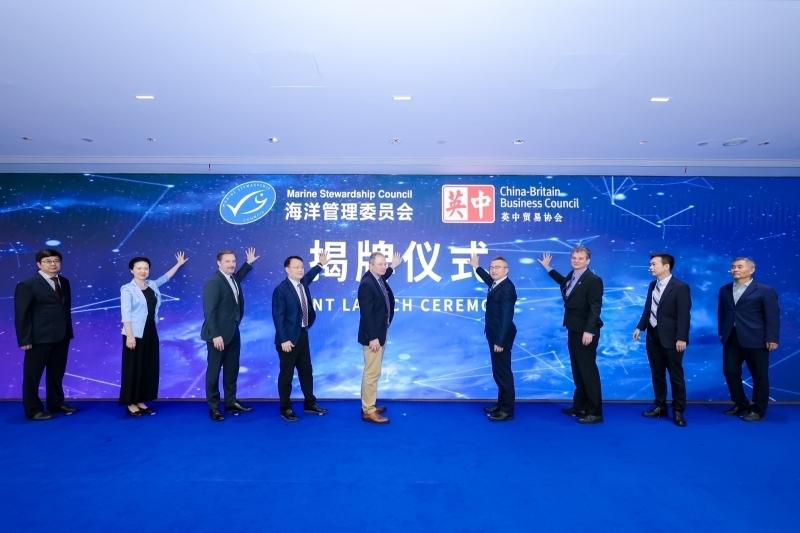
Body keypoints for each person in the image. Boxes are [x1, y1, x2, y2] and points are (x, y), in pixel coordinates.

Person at [538, 247, 604, 424]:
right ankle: (580, 406)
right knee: (577, 370)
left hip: (586, 332)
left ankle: (595, 412)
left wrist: (589, 330)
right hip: (573, 329)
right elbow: (564, 284)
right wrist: (548, 268)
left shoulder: (593, 280)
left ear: (588, 260)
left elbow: (595, 307)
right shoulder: (573, 275)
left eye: (580, 258)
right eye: (574, 257)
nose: (576, 260)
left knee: (588, 371)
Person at [119, 251, 188, 417]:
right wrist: (130, 336)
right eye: (139, 268)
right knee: (133, 369)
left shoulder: (151, 285)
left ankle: (141, 400)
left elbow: (165, 277)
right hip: (134, 333)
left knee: (147, 367)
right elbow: (126, 314)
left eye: (146, 268)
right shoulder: (127, 289)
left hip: (150, 331)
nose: (143, 271)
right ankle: (131, 403)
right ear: (132, 270)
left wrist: (178, 264)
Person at [14, 249, 78, 421]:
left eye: (56, 260)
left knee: (56, 373)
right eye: (48, 261)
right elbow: (22, 314)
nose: (53, 264)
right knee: (32, 376)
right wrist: (24, 339)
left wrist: (68, 331)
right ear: (39, 264)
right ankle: (33, 409)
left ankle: (56, 403)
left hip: (62, 336)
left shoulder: (64, 281)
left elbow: (65, 309)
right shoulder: (27, 284)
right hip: (38, 338)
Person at [632, 253, 691, 427]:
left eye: (654, 264)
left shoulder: (680, 287)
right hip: (653, 337)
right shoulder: (653, 285)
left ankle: (678, 410)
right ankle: (660, 406)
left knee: (675, 376)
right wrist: (640, 327)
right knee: (657, 374)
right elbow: (648, 308)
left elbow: (684, 315)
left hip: (673, 339)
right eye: (650, 264)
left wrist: (682, 337)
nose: (650, 267)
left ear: (666, 266)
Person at [718, 257, 780, 422]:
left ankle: (758, 409)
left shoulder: (765, 290)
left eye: (739, 267)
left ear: (752, 270)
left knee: (759, 375)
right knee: (730, 372)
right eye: (733, 267)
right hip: (731, 338)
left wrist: (772, 337)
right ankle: (741, 404)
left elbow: (772, 316)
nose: (735, 269)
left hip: (756, 339)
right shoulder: (725, 290)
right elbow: (722, 313)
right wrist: (722, 332)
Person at [201, 247, 259, 422]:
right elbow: (209, 312)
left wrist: (247, 264)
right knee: (213, 372)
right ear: (219, 263)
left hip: (233, 332)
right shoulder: (214, 282)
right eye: (227, 261)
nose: (232, 264)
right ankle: (214, 407)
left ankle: (230, 402)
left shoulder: (232, 278)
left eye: (233, 261)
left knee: (232, 369)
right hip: (217, 336)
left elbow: (238, 277)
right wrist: (215, 335)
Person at [271, 251, 330, 422]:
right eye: (296, 267)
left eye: (301, 267)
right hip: (288, 340)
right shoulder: (281, 290)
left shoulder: (302, 283)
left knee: (306, 371)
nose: (300, 270)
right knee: (287, 375)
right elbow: (278, 317)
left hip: (302, 335)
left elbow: (309, 276)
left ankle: (309, 403)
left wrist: (320, 264)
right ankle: (285, 408)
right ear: (287, 269)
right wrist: (284, 339)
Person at [470, 255, 518, 421]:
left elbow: (507, 317)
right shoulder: (497, 283)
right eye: (492, 267)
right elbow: (487, 279)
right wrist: (477, 266)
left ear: (506, 270)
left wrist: (500, 341)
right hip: (495, 334)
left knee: (503, 373)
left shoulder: (507, 288)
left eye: (498, 267)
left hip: (501, 337)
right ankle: (500, 404)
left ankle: (507, 410)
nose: (493, 270)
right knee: (498, 372)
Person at [357, 251, 402, 424]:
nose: (384, 267)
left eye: (385, 263)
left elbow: (385, 274)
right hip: (373, 336)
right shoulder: (367, 284)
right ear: (371, 265)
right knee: (372, 372)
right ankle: (368, 410)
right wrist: (373, 337)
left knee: (374, 371)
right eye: (380, 264)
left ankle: (370, 405)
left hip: (380, 332)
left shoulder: (377, 278)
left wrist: (393, 266)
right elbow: (366, 314)